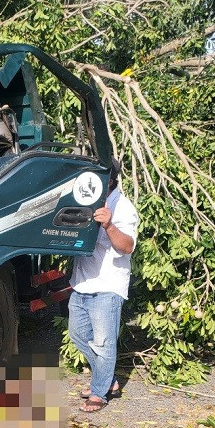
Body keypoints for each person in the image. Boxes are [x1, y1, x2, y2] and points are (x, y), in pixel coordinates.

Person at [68, 159, 138, 413]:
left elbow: (127, 246)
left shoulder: (123, 207)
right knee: (77, 336)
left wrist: (109, 225)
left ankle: (99, 393)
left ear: (108, 180)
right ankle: (109, 381)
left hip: (108, 286)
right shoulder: (86, 200)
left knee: (104, 343)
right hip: (82, 283)